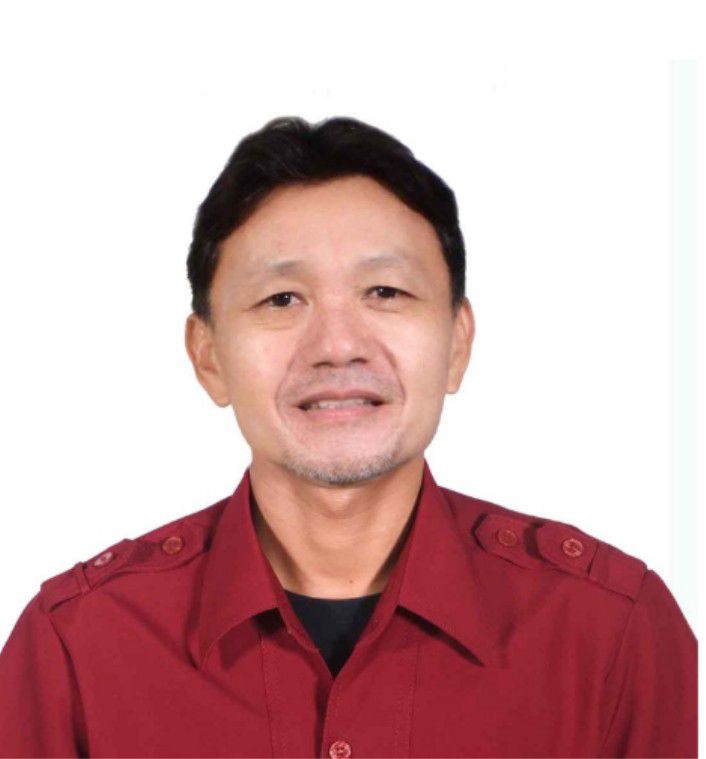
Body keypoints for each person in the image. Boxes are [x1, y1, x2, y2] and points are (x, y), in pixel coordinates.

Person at [0, 116, 697, 759]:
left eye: (386, 292)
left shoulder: (613, 634)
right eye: (282, 299)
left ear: (457, 343)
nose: (337, 346)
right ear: (208, 356)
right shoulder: (77, 650)